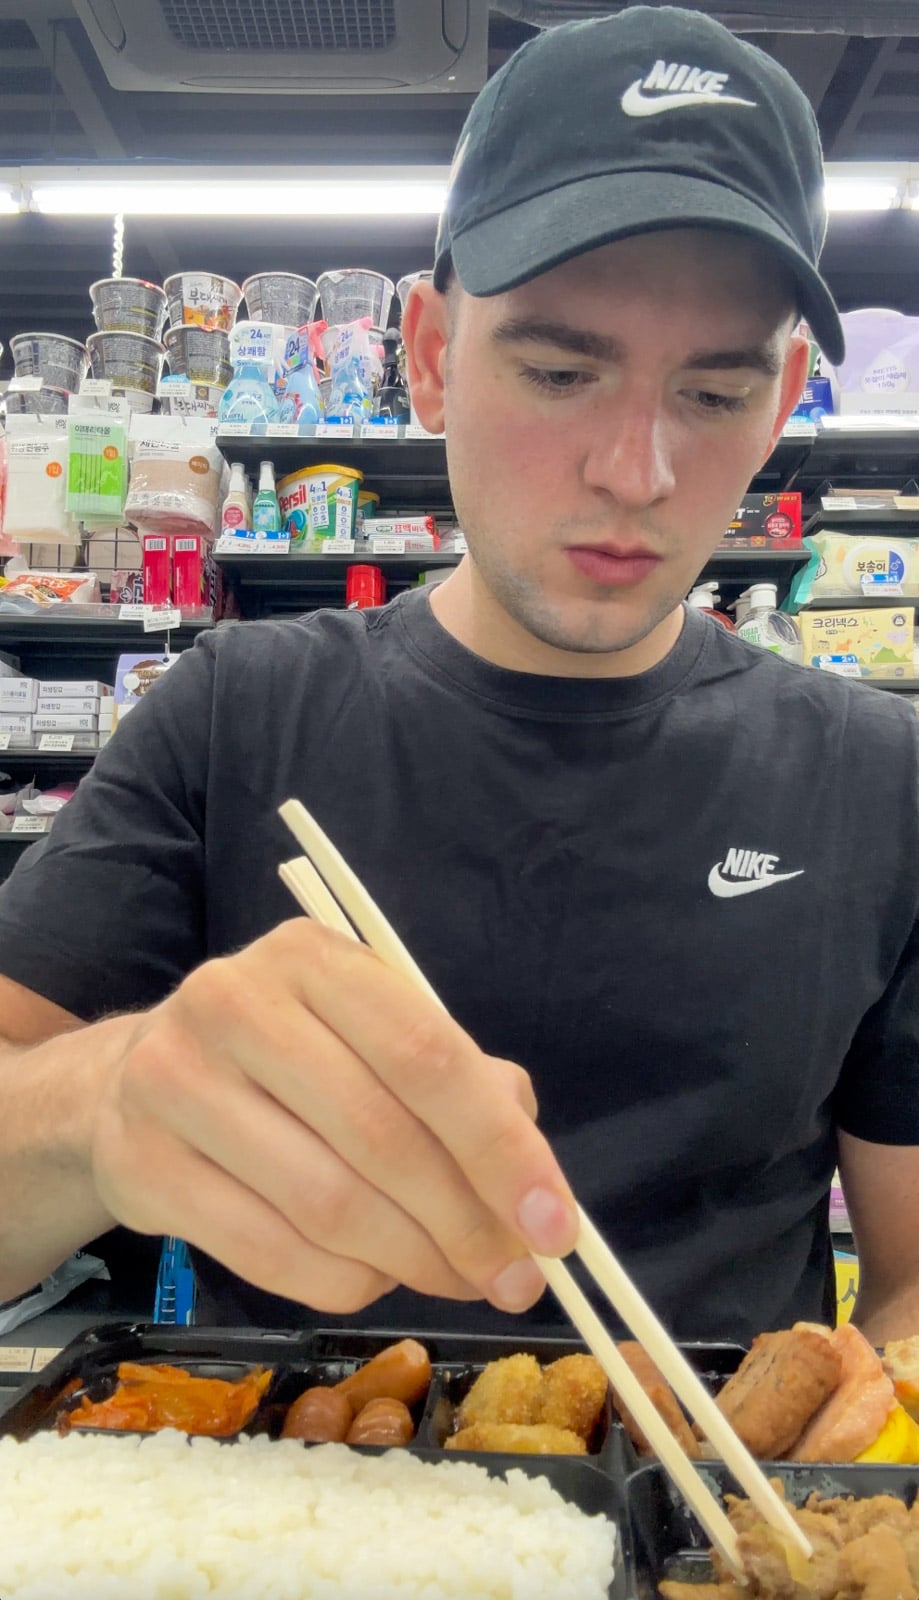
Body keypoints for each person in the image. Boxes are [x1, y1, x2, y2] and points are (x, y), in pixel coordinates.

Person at [0, 4, 917, 1349]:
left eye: (714, 397)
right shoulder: (235, 711)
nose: (635, 472)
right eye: (559, 370)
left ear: (781, 408)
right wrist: (101, 1107)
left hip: (724, 1530)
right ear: (432, 357)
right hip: (293, 1512)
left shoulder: (882, 778)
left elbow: (906, 1285)